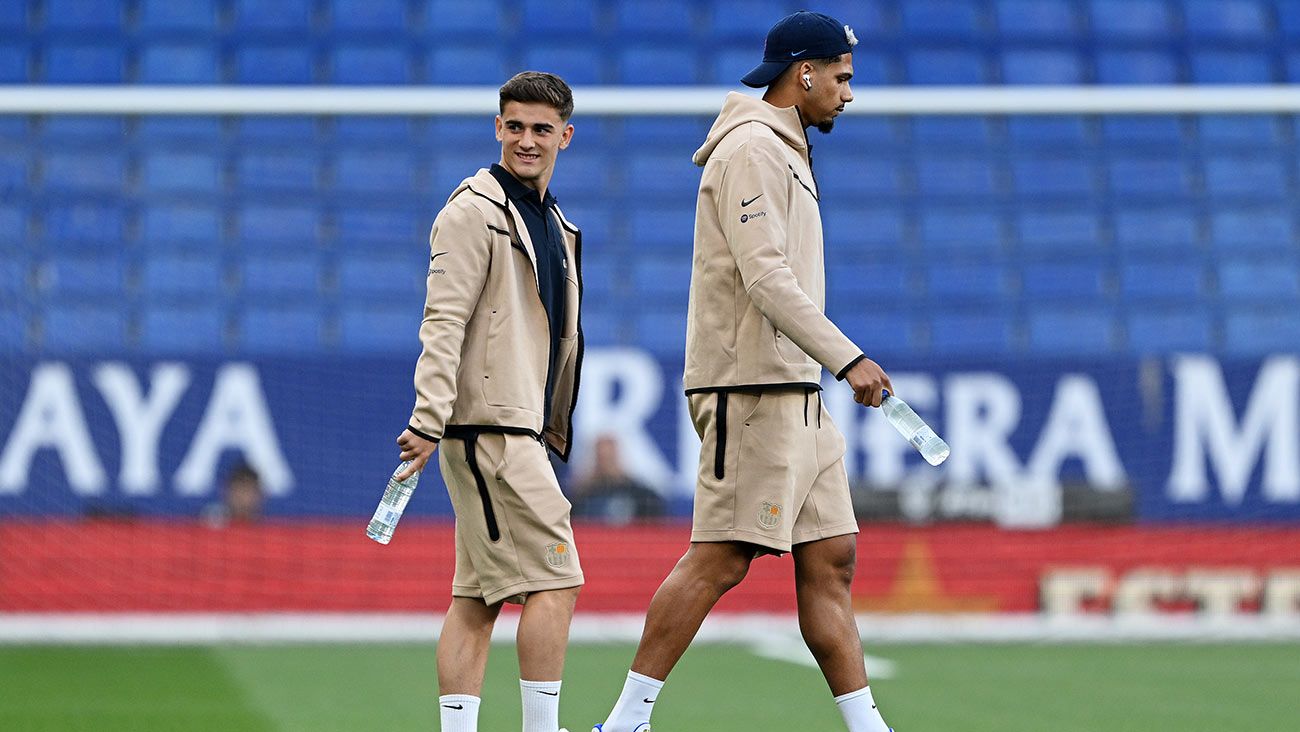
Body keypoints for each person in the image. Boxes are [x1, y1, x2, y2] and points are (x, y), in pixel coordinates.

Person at [595, 12, 897, 732]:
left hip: (797, 390)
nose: (849, 94)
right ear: (806, 73)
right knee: (721, 558)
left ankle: (868, 727)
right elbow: (764, 275)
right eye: (843, 78)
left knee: (831, 559)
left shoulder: (784, 146)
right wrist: (846, 356)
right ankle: (626, 722)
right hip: (752, 385)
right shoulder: (753, 149)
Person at [394, 71, 583, 732]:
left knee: (476, 599)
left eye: (540, 129)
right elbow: (442, 321)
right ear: (497, 128)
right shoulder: (471, 211)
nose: (526, 140)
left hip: (514, 428)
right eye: (514, 127)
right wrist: (427, 414)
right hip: (488, 429)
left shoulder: (553, 221)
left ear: (565, 135)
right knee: (557, 581)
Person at [569, 434, 666, 524]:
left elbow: (655, 524)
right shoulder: (583, 498)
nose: (605, 465)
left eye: (609, 458)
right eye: (602, 458)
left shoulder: (641, 496)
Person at [201, 462, 263, 526]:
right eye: (239, 490)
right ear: (228, 493)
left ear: (259, 495)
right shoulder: (211, 527)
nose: (243, 498)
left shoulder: (269, 530)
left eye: (249, 491)